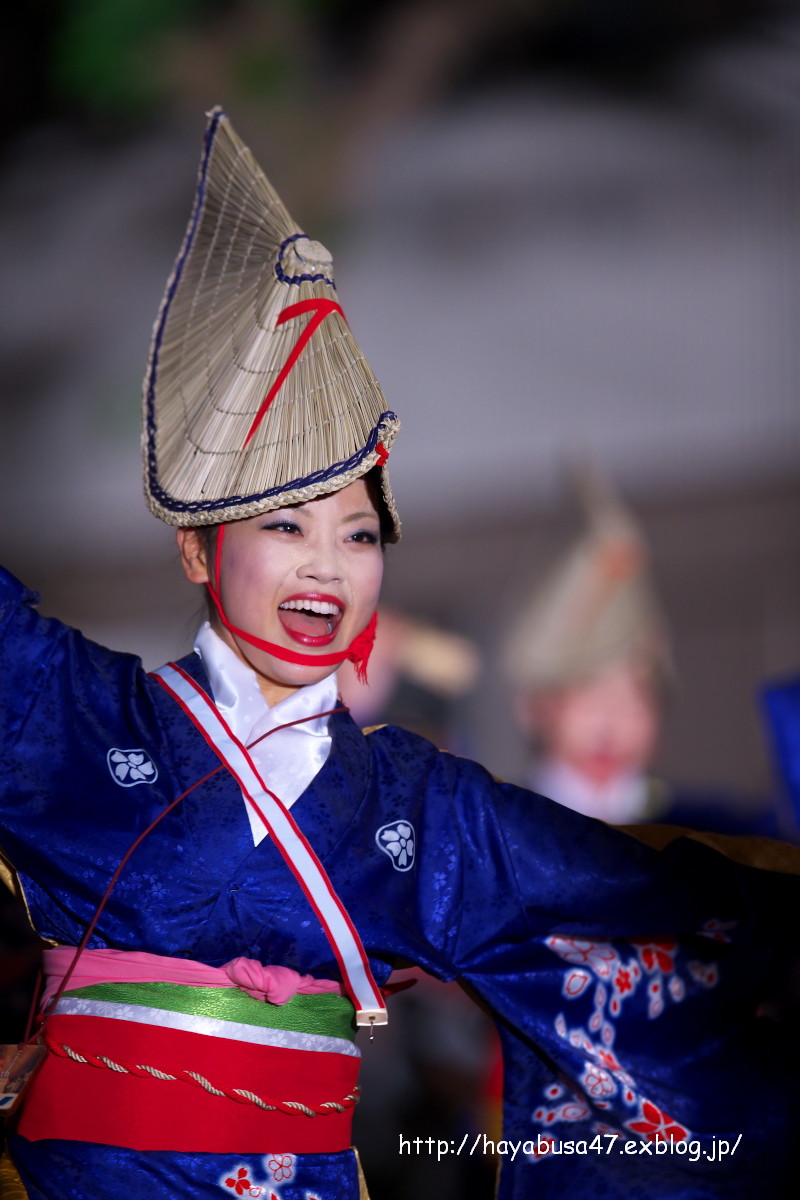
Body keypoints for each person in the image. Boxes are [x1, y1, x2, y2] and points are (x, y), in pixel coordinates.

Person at [1, 107, 799, 1200]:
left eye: (358, 534)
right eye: (284, 527)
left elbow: (642, 910)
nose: (326, 566)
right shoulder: (72, 714)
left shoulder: (419, 807)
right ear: (197, 548)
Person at [501, 468, 781, 834]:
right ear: (533, 707)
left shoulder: (716, 836)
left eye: (636, 697)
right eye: (591, 694)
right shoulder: (495, 831)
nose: (611, 722)